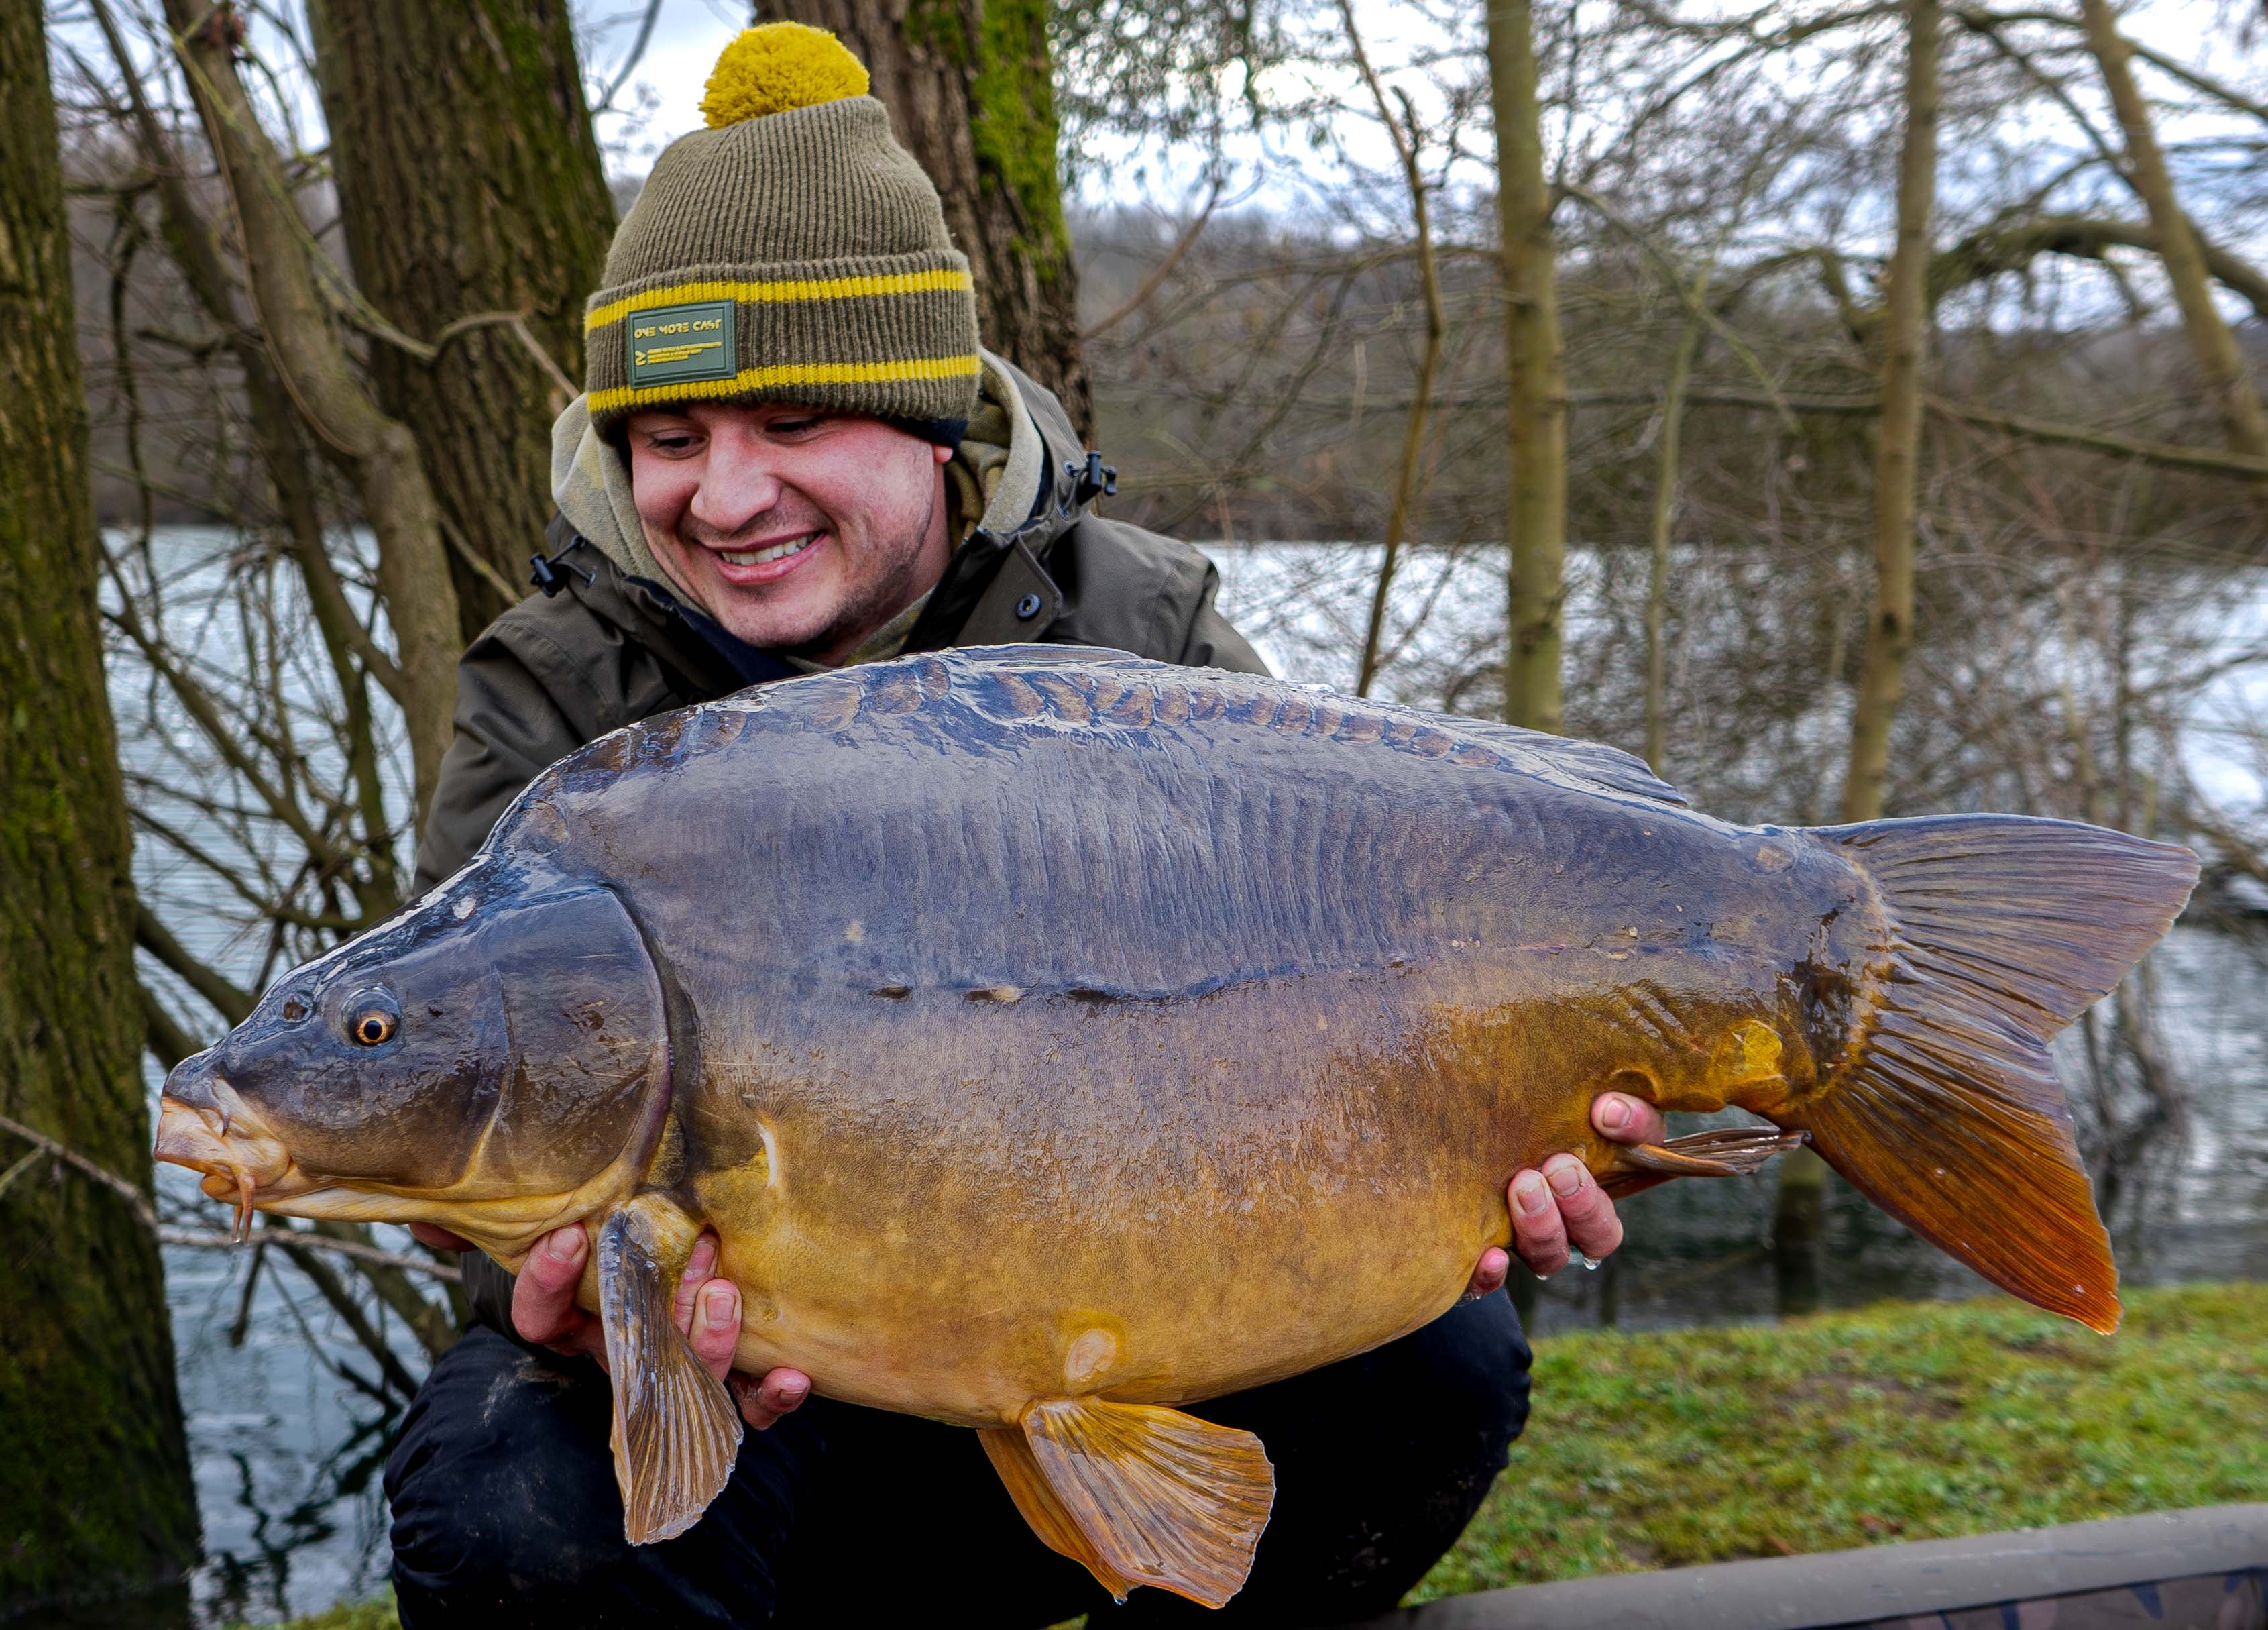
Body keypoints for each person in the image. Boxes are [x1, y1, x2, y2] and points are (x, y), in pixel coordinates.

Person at [383, 23, 1667, 1626]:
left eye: (792, 425)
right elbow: (451, 1096)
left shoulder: (1134, 628)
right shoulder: (558, 694)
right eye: (669, 439)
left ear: (930, 418)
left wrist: (1504, 1133)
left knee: (1443, 1358)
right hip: (756, 1389)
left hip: (1134, 1296)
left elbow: (1361, 977)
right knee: (512, 1509)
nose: (723, 497)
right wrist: (555, 1293)